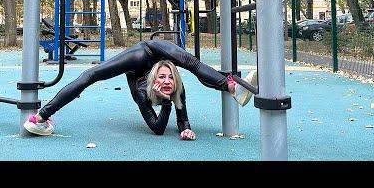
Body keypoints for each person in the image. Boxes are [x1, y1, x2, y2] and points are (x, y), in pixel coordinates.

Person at [23, 40, 258, 140]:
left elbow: (178, 122)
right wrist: (166, 102)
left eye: (170, 78)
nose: (167, 82)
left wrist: (185, 128)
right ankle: (41, 116)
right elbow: (157, 128)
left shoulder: (177, 88)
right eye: (163, 78)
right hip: (144, 53)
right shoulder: (140, 91)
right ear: (155, 77)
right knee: (91, 75)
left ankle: (231, 87)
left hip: (159, 56)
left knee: (192, 64)